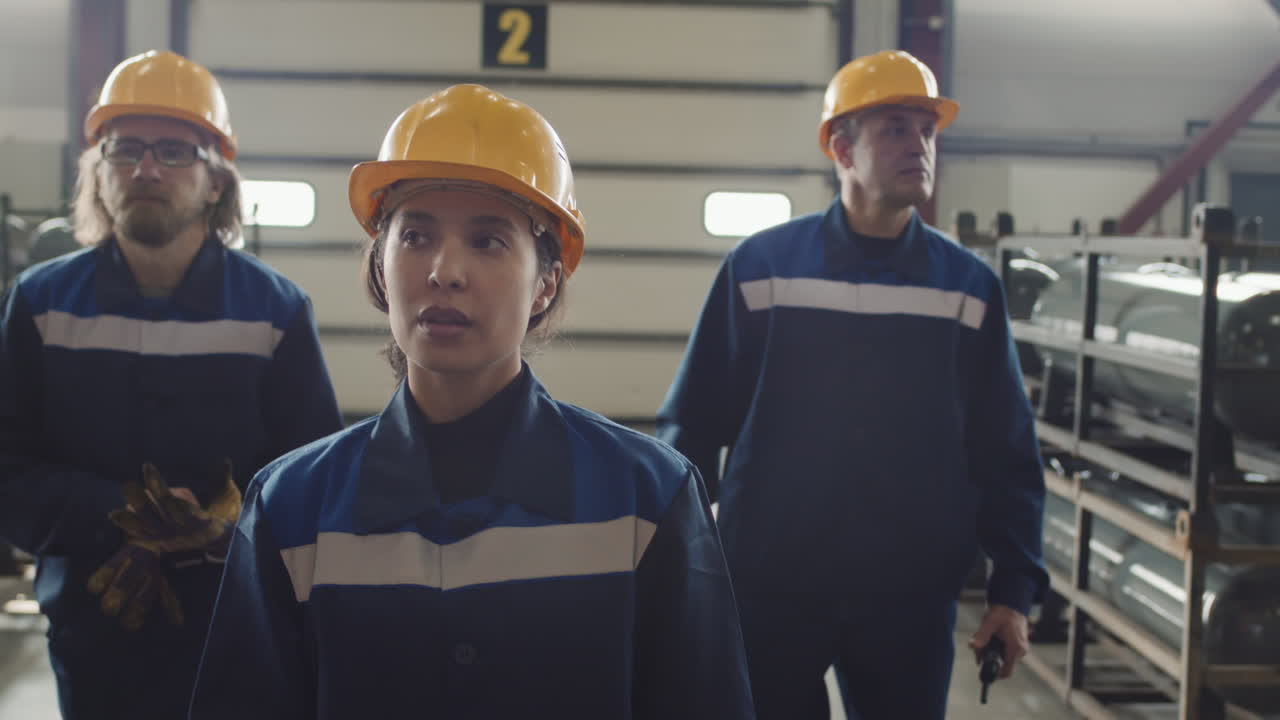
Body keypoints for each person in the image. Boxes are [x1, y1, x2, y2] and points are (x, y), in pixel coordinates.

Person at [189, 84, 755, 719]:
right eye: (415, 237)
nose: (445, 271)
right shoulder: (291, 510)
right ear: (381, 267)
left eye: (487, 241)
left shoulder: (647, 502)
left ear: (545, 283)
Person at [657, 49, 1048, 720]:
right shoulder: (762, 269)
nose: (920, 147)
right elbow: (691, 425)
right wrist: (684, 566)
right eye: (896, 127)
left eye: (927, 130)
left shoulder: (966, 288)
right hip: (771, 586)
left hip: (909, 597)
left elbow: (1005, 449)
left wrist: (1013, 593)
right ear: (841, 146)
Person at [0, 50, 343, 719]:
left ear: (217, 181)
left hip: (237, 626)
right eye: (125, 149)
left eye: (174, 151)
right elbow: (6, 469)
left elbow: (313, 482)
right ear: (99, 173)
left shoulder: (274, 311)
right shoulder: (40, 306)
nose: (146, 169)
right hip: (93, 627)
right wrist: (119, 515)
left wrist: (226, 531)